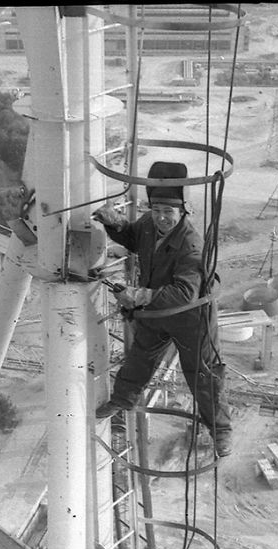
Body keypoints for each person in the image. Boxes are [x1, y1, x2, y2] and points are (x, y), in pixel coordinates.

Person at [92, 161, 233, 457]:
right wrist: (115, 224)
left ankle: (220, 429)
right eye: (156, 210)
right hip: (157, 311)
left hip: (191, 318)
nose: (161, 218)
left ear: (183, 212)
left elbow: (183, 293)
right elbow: (134, 237)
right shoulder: (149, 224)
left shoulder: (191, 245)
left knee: (202, 374)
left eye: (168, 212)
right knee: (140, 356)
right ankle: (123, 399)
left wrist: (138, 295)